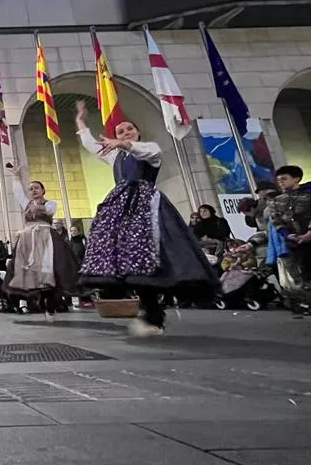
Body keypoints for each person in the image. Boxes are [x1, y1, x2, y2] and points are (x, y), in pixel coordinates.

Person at [74, 100, 217, 337]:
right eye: (120, 131)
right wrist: (81, 122)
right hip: (121, 210)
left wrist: (123, 143)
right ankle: (149, 309)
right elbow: (91, 144)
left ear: (138, 132)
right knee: (129, 261)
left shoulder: (150, 149)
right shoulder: (115, 156)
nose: (124, 133)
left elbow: (143, 151)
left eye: (129, 129)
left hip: (146, 207)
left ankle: (154, 312)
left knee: (149, 258)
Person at [4, 163, 77, 322]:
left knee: (48, 269)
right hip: (29, 239)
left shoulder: (49, 203)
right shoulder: (26, 204)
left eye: (36, 187)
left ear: (43, 190)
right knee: (31, 271)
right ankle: (40, 298)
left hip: (45, 238)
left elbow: (49, 211)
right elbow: (17, 193)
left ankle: (49, 301)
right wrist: (15, 177)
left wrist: (39, 209)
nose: (33, 190)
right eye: (30, 188)